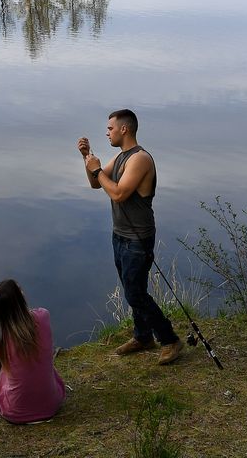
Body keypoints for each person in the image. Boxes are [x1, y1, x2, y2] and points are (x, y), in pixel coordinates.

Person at [78, 108, 184, 365]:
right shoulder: (121, 157)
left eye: (110, 128)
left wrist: (97, 170)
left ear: (124, 129)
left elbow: (118, 193)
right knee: (131, 288)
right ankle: (143, 336)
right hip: (120, 235)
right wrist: (87, 159)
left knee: (135, 293)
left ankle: (169, 339)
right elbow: (96, 183)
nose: (107, 133)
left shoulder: (140, 159)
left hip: (138, 239)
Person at [0, 278, 66, 423]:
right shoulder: (42, 317)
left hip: (14, 412)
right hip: (51, 406)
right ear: (20, 300)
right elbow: (28, 316)